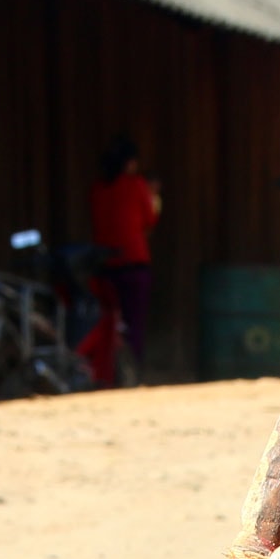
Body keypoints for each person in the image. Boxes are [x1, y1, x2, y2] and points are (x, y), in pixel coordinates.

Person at [89, 133, 158, 382]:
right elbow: (150, 219)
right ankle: (131, 376)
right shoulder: (136, 185)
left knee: (108, 323)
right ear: (130, 163)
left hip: (105, 266)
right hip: (134, 265)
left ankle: (106, 373)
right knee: (133, 324)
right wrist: (155, 197)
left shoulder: (98, 189)